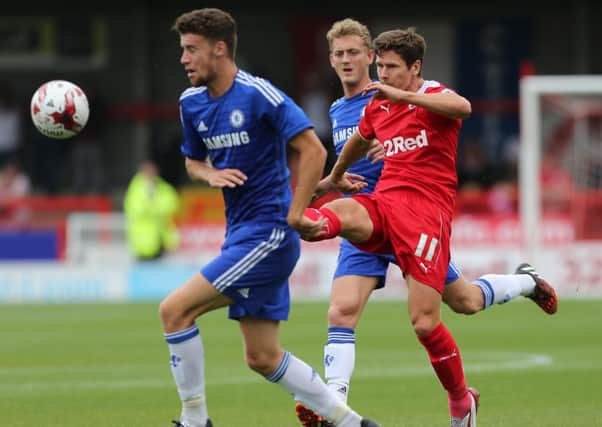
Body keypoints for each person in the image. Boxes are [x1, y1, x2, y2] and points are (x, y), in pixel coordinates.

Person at [294, 19, 559, 427]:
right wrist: (331, 180)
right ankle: (334, 405)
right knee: (341, 309)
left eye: (358, 55)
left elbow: (463, 108)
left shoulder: (417, 94)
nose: (352, 63)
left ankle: (525, 283)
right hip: (376, 212)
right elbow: (358, 140)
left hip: (420, 220)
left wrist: (398, 99)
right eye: (339, 54)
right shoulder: (354, 107)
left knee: (461, 303)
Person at [158, 8, 381, 427]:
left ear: (219, 49)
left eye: (191, 49)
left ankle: (194, 421)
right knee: (262, 356)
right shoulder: (191, 103)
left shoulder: (258, 94)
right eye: (182, 50)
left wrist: (296, 214)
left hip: (270, 235)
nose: (183, 59)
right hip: (241, 235)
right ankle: (354, 424)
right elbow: (192, 162)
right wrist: (209, 173)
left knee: (174, 311)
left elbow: (313, 149)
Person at [123, 160, 180, 261]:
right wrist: (155, 206)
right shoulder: (135, 189)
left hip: (162, 241)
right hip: (142, 243)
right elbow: (136, 209)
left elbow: (172, 206)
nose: (150, 175)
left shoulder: (164, 188)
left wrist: (152, 205)